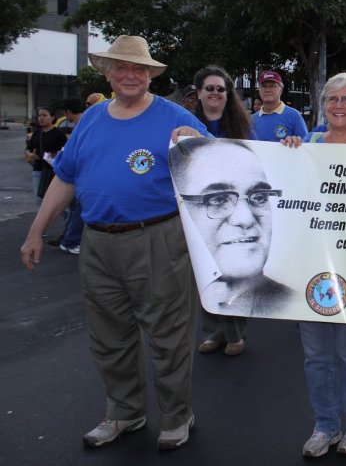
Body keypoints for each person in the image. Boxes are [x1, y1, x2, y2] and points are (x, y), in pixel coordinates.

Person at [19, 35, 208, 450]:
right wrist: (36, 231)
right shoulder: (89, 119)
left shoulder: (175, 117)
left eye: (138, 69)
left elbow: (218, 172)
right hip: (98, 243)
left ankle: (177, 416)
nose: (129, 75)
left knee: (168, 334)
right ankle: (125, 413)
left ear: (149, 76)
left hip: (158, 238)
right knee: (110, 336)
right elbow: (65, 177)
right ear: (107, 72)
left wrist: (200, 147)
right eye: (121, 67)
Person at [282, 71, 346, 458]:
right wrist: (287, 150)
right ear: (323, 105)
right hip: (310, 265)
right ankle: (325, 424)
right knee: (316, 354)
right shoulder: (305, 144)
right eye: (333, 99)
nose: (340, 106)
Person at [170, 138, 292, 319]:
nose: (245, 219)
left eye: (259, 197)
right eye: (217, 199)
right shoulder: (168, 299)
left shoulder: (292, 302)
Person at [189, 65, 258, 356]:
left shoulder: (242, 127)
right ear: (199, 93)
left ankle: (235, 333)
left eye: (221, 89)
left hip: (232, 211)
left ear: (228, 95)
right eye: (210, 88)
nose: (215, 93)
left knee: (232, 272)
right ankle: (213, 331)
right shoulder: (185, 126)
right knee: (206, 273)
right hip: (199, 213)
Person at [54, 99, 86, 254]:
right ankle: (70, 240)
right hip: (81, 175)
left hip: (81, 175)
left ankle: (69, 239)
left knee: (77, 210)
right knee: (78, 210)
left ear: (68, 111)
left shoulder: (83, 123)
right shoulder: (88, 121)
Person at [24, 106, 67, 206]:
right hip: (38, 170)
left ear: (52, 117)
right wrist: (29, 154)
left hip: (54, 171)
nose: (41, 118)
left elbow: (67, 152)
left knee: (56, 201)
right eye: (39, 116)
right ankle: (43, 221)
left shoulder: (59, 133)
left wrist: (57, 154)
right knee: (39, 199)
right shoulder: (37, 133)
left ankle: (69, 220)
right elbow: (27, 149)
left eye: (44, 115)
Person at [252, 70, 308, 142]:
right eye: (264, 86)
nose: (268, 90)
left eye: (272, 86)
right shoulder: (251, 120)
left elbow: (306, 145)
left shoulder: (294, 116)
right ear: (259, 90)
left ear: (281, 89)